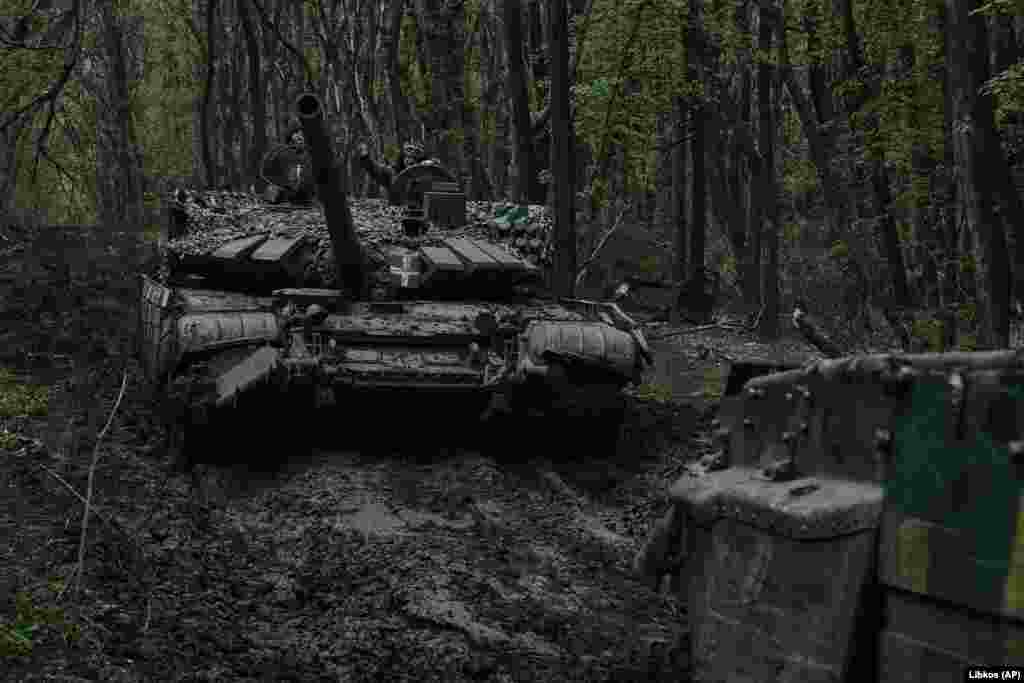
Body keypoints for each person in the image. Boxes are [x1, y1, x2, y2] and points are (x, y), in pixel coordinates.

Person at [356, 141, 427, 203]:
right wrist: (365, 157)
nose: (410, 161)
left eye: (413, 158)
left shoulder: (427, 171)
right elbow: (375, 170)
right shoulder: (393, 172)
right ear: (403, 158)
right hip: (399, 211)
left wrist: (431, 164)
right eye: (407, 157)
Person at [261, 126, 316, 203]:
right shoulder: (279, 151)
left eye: (302, 133)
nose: (300, 135)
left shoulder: (313, 154)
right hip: (282, 196)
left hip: (306, 196)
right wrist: (279, 185)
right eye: (297, 133)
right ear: (291, 135)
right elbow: (265, 171)